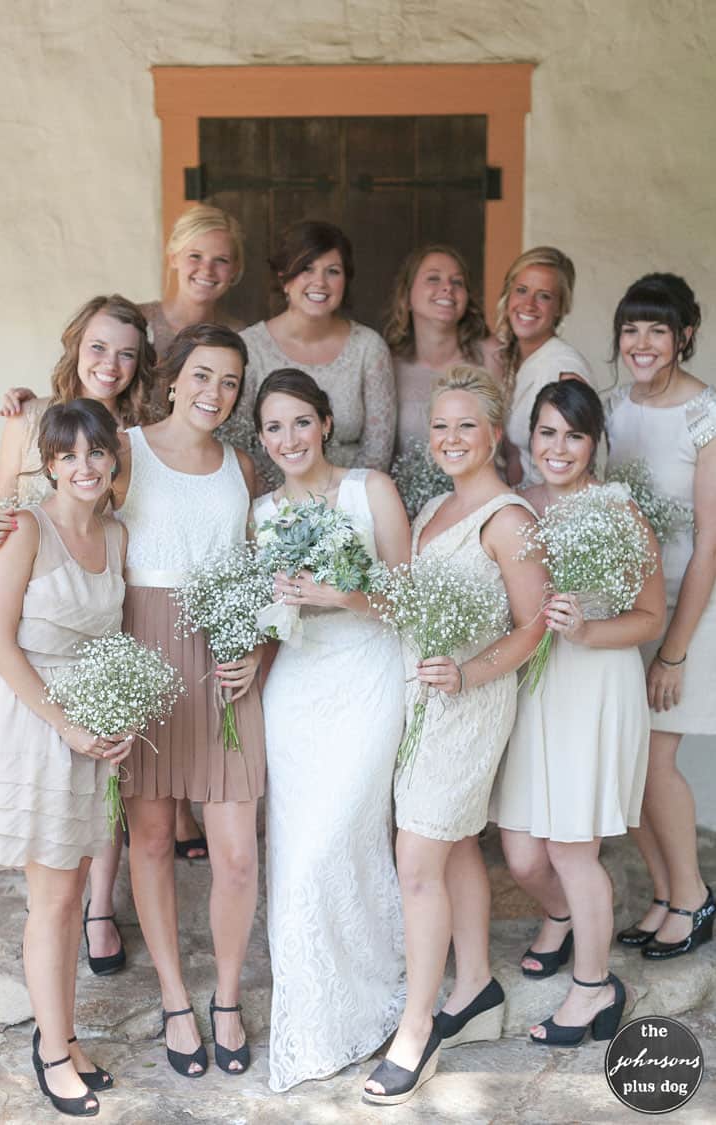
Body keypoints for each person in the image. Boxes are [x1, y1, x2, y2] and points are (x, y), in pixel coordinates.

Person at [363, 366, 547, 1106]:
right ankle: (475, 986)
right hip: (421, 699)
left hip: (469, 705)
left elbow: (534, 627)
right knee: (457, 841)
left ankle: (419, 1027)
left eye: (466, 425)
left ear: (493, 434)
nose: (450, 437)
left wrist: (468, 676)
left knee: (418, 860)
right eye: (440, 425)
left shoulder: (508, 518)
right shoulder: (436, 504)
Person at [0, 294, 157, 977]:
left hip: (94, 618)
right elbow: (0, 513)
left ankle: (100, 906)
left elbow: (121, 522)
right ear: (75, 347)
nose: (109, 364)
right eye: (98, 348)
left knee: (95, 794)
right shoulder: (25, 416)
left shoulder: (134, 437)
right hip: (33, 614)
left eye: (126, 354)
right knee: (50, 874)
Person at [0, 400, 131, 1116]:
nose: (84, 467)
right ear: (51, 462)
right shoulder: (27, 527)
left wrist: (114, 714)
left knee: (73, 892)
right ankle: (53, 1049)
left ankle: (59, 1035)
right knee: (54, 899)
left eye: (96, 453)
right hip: (38, 721)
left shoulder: (118, 534)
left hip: (91, 728)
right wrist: (66, 723)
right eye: (68, 455)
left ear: (112, 459)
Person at [493, 380, 665, 1046]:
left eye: (574, 434)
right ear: (528, 436)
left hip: (593, 682)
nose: (557, 447)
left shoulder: (619, 511)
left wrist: (588, 628)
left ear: (595, 442)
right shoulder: (516, 508)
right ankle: (566, 915)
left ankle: (594, 989)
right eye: (546, 432)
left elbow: (650, 614)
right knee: (522, 853)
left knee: (571, 845)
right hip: (532, 686)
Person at [252, 368, 409, 1091]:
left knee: (339, 841)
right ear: (261, 439)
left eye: (301, 422)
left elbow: (411, 597)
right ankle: (315, 1018)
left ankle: (376, 990)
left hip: (367, 679)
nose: (290, 438)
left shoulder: (368, 489)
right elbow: (262, 616)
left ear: (325, 421)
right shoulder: (259, 514)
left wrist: (340, 593)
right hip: (296, 690)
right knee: (297, 853)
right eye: (274, 427)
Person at [113, 323, 263, 1078]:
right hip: (144, 652)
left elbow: (268, 572)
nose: (215, 392)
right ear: (173, 378)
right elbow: (67, 520)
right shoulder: (126, 449)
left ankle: (227, 996)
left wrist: (258, 651)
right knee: (149, 841)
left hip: (225, 666)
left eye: (230, 381)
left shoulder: (242, 464)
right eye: (203, 375)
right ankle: (176, 995)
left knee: (236, 853)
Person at [607, 273, 716, 958]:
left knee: (655, 760)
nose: (641, 343)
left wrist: (675, 649)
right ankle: (664, 892)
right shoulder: (614, 408)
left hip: (693, 609)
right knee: (629, 757)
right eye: (630, 329)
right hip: (630, 608)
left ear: (683, 337)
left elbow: (711, 542)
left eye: (656, 329)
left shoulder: (707, 415)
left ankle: (696, 896)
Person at [236, 219, 396, 472]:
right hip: (272, 501)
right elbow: (240, 444)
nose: (320, 282)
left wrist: (342, 503)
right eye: (306, 269)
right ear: (284, 279)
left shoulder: (368, 347)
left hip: (353, 500)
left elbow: (378, 451)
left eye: (332, 271)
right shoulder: (248, 348)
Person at [384, 244, 502, 454]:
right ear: (407, 295)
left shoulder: (491, 355)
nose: (448, 287)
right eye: (433, 278)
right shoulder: (388, 363)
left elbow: (508, 446)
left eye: (457, 282)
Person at [494, 246, 594, 486]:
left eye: (544, 296)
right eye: (521, 290)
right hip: (525, 501)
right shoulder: (511, 358)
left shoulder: (563, 369)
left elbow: (579, 463)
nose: (529, 304)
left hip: (555, 508)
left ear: (561, 307)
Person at [139, 202, 246, 358]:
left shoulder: (241, 335)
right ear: (174, 258)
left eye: (221, 260)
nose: (207, 270)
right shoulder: (137, 321)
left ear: (234, 269)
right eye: (195, 256)